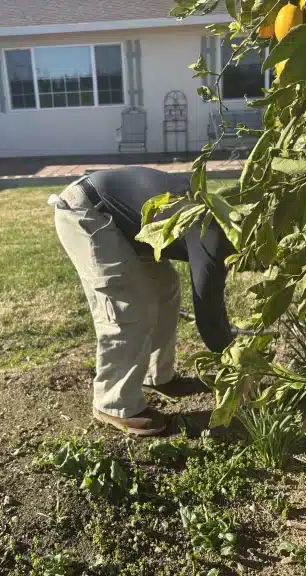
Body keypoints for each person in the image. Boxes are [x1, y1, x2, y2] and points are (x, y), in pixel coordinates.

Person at [50, 166, 235, 436]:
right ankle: (114, 403)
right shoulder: (213, 237)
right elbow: (209, 313)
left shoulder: (220, 223)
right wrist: (235, 364)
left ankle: (157, 377)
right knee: (128, 302)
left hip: (127, 223)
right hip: (89, 210)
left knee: (165, 289)